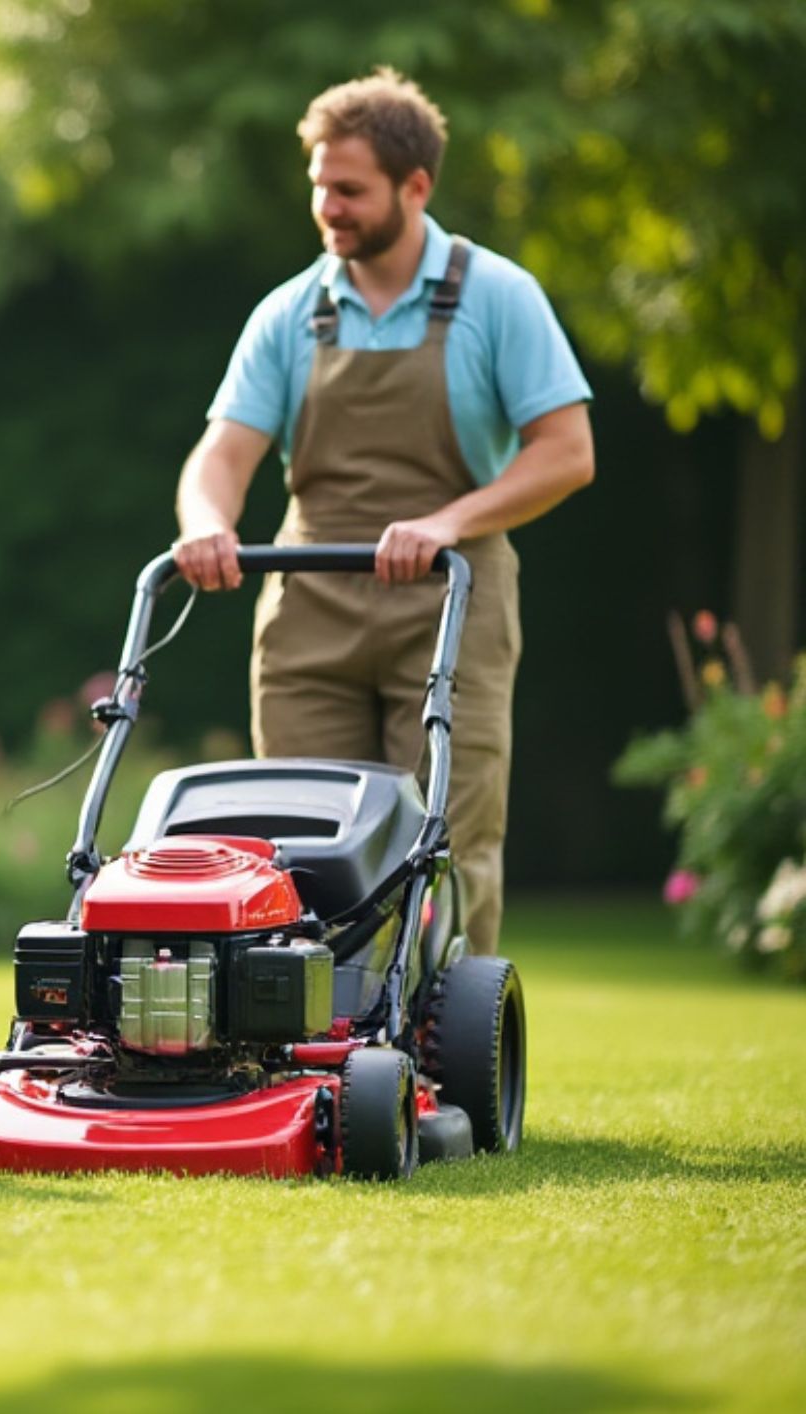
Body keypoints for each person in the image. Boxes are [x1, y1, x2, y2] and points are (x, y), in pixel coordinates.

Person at [171, 69, 595, 957]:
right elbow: (222, 454)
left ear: (415, 187)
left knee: (446, 838)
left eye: (349, 189)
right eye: (319, 186)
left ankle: (449, 1058)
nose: (327, 206)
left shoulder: (495, 296)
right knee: (292, 842)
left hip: (448, 604)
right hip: (309, 607)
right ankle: (302, 1049)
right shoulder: (291, 312)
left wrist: (443, 522)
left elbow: (566, 452)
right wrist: (206, 520)